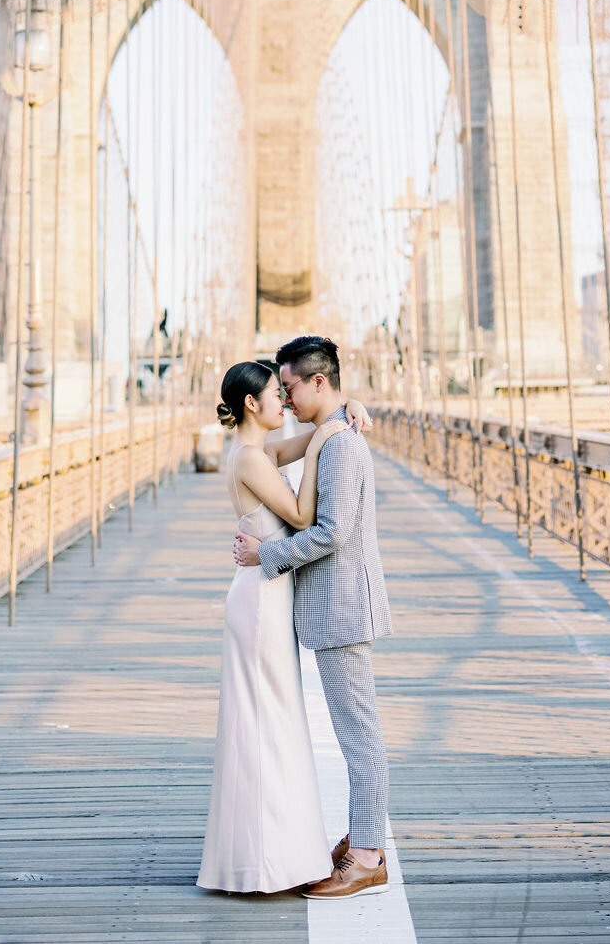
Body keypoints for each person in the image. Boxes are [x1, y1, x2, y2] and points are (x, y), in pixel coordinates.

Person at [197, 360, 373, 894]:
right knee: (265, 727)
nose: (286, 403)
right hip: (258, 601)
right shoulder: (251, 459)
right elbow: (301, 515)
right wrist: (323, 446)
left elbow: (315, 433)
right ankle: (266, 862)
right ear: (252, 404)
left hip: (264, 596)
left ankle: (272, 854)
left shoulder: (259, 452)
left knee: (270, 723)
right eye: (277, 394)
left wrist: (347, 412)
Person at [234, 335, 392, 901]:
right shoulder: (332, 436)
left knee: (360, 737)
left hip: (343, 606)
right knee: (357, 733)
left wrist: (265, 556)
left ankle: (369, 857)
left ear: (318, 382)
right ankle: (363, 839)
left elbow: (333, 532)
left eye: (291, 386)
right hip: (332, 607)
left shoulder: (344, 446)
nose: (287, 397)